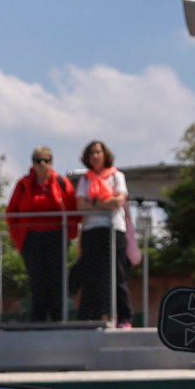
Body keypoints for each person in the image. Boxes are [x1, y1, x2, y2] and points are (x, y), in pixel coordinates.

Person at [6, 147, 79, 323]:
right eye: (38, 160)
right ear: (32, 163)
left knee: (57, 279)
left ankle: (58, 319)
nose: (42, 164)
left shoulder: (61, 182)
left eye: (46, 160)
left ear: (51, 163)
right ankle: (38, 320)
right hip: (31, 239)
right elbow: (11, 213)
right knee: (37, 279)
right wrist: (18, 238)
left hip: (56, 237)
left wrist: (71, 235)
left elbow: (73, 209)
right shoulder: (23, 184)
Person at [72, 139, 134, 326]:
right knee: (92, 275)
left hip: (114, 228)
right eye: (92, 153)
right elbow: (80, 205)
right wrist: (103, 203)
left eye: (98, 152)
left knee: (117, 273)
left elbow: (118, 201)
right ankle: (89, 316)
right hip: (92, 230)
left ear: (105, 154)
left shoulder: (117, 176)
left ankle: (124, 317)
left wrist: (94, 203)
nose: (95, 156)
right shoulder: (85, 179)